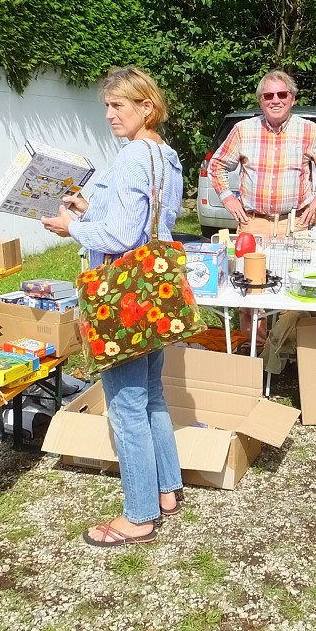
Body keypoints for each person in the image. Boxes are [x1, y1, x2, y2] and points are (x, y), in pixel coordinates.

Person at [41, 65, 185, 547]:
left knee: (125, 406)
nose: (109, 114)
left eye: (118, 104)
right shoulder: (167, 156)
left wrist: (71, 228)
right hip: (152, 291)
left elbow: (122, 236)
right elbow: (143, 223)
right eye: (106, 105)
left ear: (147, 105)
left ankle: (139, 517)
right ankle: (167, 490)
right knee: (152, 394)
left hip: (123, 294)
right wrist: (89, 211)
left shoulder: (129, 159)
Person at [208, 69, 316, 345]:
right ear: (260, 101)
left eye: (282, 94)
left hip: (297, 223)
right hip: (254, 222)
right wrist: (229, 199)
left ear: (292, 98)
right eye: (269, 95)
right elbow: (217, 165)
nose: (275, 100)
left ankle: (289, 351)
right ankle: (254, 354)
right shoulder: (243, 130)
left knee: (298, 288)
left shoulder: (309, 130)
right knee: (250, 292)